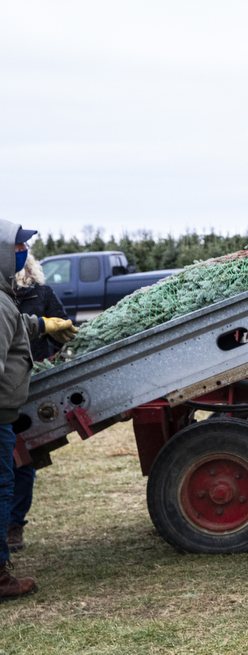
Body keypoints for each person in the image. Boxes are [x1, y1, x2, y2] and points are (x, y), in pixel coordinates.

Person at [0, 220, 77, 602]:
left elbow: (18, 325)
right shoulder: (1, 299)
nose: (21, 254)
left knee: (15, 474)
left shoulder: (17, 296)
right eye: (15, 248)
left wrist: (45, 324)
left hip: (15, 405)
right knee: (4, 480)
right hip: (1, 412)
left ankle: (7, 546)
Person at [8, 253, 70, 553]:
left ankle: (14, 524)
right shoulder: (5, 300)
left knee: (23, 459)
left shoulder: (41, 294)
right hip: (10, 389)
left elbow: (60, 330)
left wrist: (56, 361)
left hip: (34, 385)